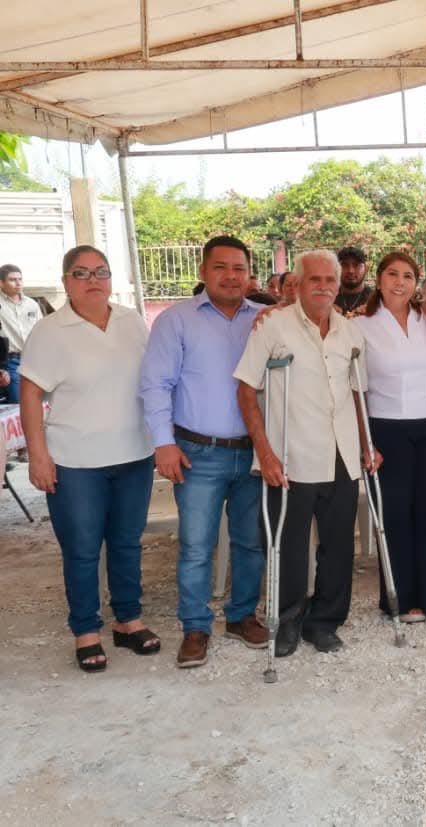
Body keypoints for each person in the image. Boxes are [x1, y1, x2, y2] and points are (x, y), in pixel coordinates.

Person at [20, 245, 157, 672]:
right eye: (81, 273)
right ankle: (86, 629)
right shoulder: (50, 330)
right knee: (81, 549)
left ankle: (128, 621)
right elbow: (30, 394)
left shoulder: (131, 321)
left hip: (134, 454)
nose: (93, 280)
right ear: (66, 282)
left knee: (126, 543)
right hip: (75, 461)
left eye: (101, 272)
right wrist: (38, 455)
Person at [234, 249, 372, 655]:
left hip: (341, 452)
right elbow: (246, 389)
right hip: (291, 454)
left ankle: (325, 622)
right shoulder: (273, 325)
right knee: (289, 544)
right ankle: (289, 620)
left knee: (337, 544)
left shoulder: (349, 331)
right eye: (315, 280)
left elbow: (357, 392)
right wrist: (266, 452)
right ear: (297, 283)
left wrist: (367, 445)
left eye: (331, 280)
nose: (325, 287)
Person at [139, 236, 267, 669]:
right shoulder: (177, 321)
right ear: (203, 272)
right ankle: (195, 625)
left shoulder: (265, 320)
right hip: (198, 451)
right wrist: (164, 442)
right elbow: (156, 384)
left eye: (239, 268)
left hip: (253, 452)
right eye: (221, 267)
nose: (231, 276)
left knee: (251, 542)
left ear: (250, 273)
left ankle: (242, 615)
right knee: (196, 545)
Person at [353, 253, 426, 626]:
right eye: (392, 274)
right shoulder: (361, 326)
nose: (400, 281)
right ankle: (402, 597)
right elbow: (356, 388)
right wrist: (365, 441)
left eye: (408, 275)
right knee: (395, 514)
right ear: (378, 279)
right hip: (386, 428)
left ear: (416, 283)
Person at [0, 264, 41, 404]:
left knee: (38, 402)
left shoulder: (31, 304)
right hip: (10, 362)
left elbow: (41, 331)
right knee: (18, 405)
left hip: (33, 360)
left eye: (20, 279)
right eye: (12, 280)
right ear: (1, 283)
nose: (18, 283)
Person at [335, 246, 373, 314]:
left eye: (356, 265)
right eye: (345, 265)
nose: (350, 271)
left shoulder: (376, 300)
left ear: (366, 268)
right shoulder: (328, 297)